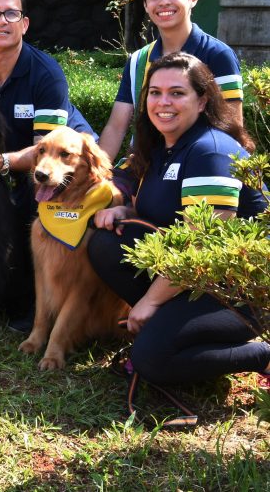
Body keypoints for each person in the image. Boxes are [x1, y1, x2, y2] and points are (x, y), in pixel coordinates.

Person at [89, 53, 269, 387]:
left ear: (202, 101)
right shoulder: (162, 146)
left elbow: (202, 244)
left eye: (176, 93)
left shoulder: (211, 151)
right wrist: (124, 211)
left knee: (150, 359)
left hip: (240, 292)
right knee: (107, 242)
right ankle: (169, 326)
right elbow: (164, 216)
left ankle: (261, 354)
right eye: (154, 93)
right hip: (195, 280)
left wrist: (149, 301)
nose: (162, 102)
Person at [0, 0, 96, 327]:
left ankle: (37, 306)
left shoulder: (45, 73)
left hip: (52, 166)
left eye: (11, 13)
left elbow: (45, 154)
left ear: (25, 23)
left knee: (34, 206)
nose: (1, 21)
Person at [98, 0, 244, 163]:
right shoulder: (138, 61)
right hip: (145, 170)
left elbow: (232, 128)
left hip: (198, 168)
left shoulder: (218, 55)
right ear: (146, 5)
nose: (164, 2)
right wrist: (97, 176)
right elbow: (116, 126)